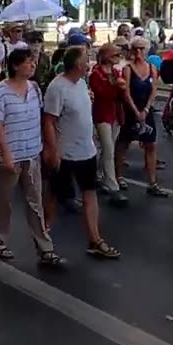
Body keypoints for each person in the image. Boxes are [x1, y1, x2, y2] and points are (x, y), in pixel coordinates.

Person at [0, 48, 64, 269]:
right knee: (5, 202)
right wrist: (6, 154)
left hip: (31, 152)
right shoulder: (0, 91)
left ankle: (45, 248)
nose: (32, 65)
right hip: (9, 155)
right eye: (28, 62)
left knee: (35, 202)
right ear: (15, 66)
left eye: (33, 62)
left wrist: (46, 147)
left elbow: (40, 117)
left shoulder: (35, 89)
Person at [44, 45, 120, 258]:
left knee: (90, 193)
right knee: (54, 195)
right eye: (87, 59)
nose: (89, 62)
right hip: (65, 152)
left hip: (86, 151)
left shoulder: (81, 84)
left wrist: (92, 141)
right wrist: (52, 150)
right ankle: (44, 237)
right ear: (78, 64)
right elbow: (49, 121)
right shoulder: (57, 87)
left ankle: (94, 240)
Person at [116, 36, 166, 197]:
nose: (138, 52)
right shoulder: (128, 69)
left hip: (145, 109)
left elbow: (153, 90)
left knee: (150, 144)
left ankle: (152, 182)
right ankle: (118, 176)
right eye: (135, 48)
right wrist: (136, 111)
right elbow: (126, 93)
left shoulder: (151, 68)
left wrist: (146, 109)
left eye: (141, 49)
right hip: (131, 110)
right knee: (124, 142)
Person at [88, 42, 128, 207]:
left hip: (114, 114)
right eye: (115, 55)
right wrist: (115, 86)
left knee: (106, 149)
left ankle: (98, 175)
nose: (118, 58)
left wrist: (121, 87)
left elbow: (120, 94)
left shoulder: (116, 71)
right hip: (102, 114)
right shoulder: (96, 73)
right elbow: (101, 94)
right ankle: (113, 186)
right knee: (108, 149)